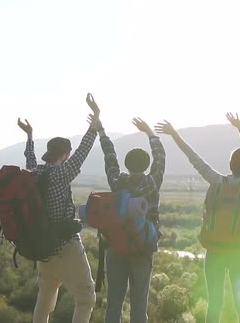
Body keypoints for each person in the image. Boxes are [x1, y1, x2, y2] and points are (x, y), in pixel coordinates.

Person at [155, 113, 240, 323]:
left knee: (215, 304)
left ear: (230, 164)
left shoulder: (217, 181)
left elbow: (194, 159)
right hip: (239, 251)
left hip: (214, 250)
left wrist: (174, 134)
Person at [19, 93, 102, 323]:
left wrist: (30, 136)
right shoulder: (62, 173)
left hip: (42, 247)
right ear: (64, 155)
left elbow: (30, 160)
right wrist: (96, 118)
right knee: (86, 298)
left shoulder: (35, 173)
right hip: (66, 244)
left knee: (45, 298)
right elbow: (84, 150)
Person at [90, 106, 165, 323]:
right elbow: (161, 158)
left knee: (114, 304)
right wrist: (150, 133)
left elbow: (109, 156)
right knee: (139, 308)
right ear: (147, 165)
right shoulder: (152, 182)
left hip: (116, 246)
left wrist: (101, 130)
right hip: (143, 249)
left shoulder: (117, 181)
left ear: (126, 165)